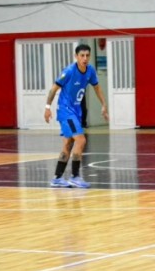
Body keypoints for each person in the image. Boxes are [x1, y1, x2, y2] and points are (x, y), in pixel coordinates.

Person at [44, 44, 108, 189]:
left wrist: (104, 105)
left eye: (87, 56)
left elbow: (97, 88)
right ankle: (75, 176)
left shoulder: (90, 70)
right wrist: (47, 108)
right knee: (81, 140)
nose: (85, 58)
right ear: (76, 57)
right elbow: (53, 89)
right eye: (82, 56)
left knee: (68, 144)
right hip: (66, 111)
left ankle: (57, 178)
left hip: (76, 111)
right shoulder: (69, 71)